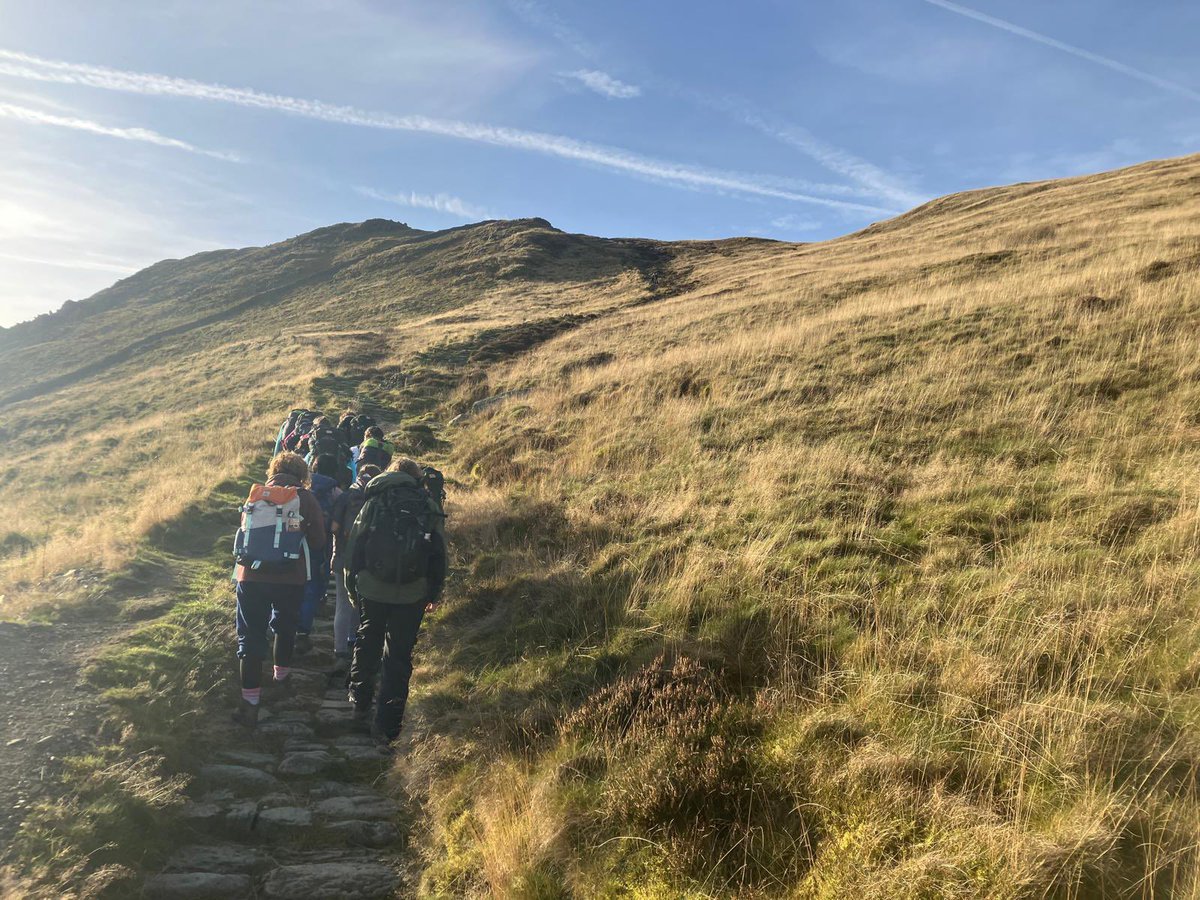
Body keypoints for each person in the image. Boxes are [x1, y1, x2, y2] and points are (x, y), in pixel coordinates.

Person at [344, 457, 447, 747]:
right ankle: (388, 725)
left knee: (368, 639)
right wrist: (433, 591)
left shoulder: (374, 502)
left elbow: (356, 546)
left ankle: (360, 702)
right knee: (399, 655)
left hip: (372, 588)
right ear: (416, 478)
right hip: (412, 592)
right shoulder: (427, 504)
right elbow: (439, 552)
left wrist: (352, 585)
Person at [232, 452, 326, 727]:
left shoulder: (256, 494)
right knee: (285, 627)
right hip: (290, 577)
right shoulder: (305, 498)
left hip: (251, 576)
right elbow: (319, 541)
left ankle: (250, 702)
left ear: (273, 469)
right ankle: (281, 680)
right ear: (302, 474)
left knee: (250, 637)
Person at [327, 463, 382, 678]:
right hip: (368, 562)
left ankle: (340, 652)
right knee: (362, 603)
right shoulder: (378, 498)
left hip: (343, 559)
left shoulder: (345, 496)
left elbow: (333, 528)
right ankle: (358, 645)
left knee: (342, 604)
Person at [296, 454, 342, 646]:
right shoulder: (335, 490)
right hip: (320, 540)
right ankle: (303, 630)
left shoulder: (301, 486)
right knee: (313, 583)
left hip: (295, 539)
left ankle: (283, 624)